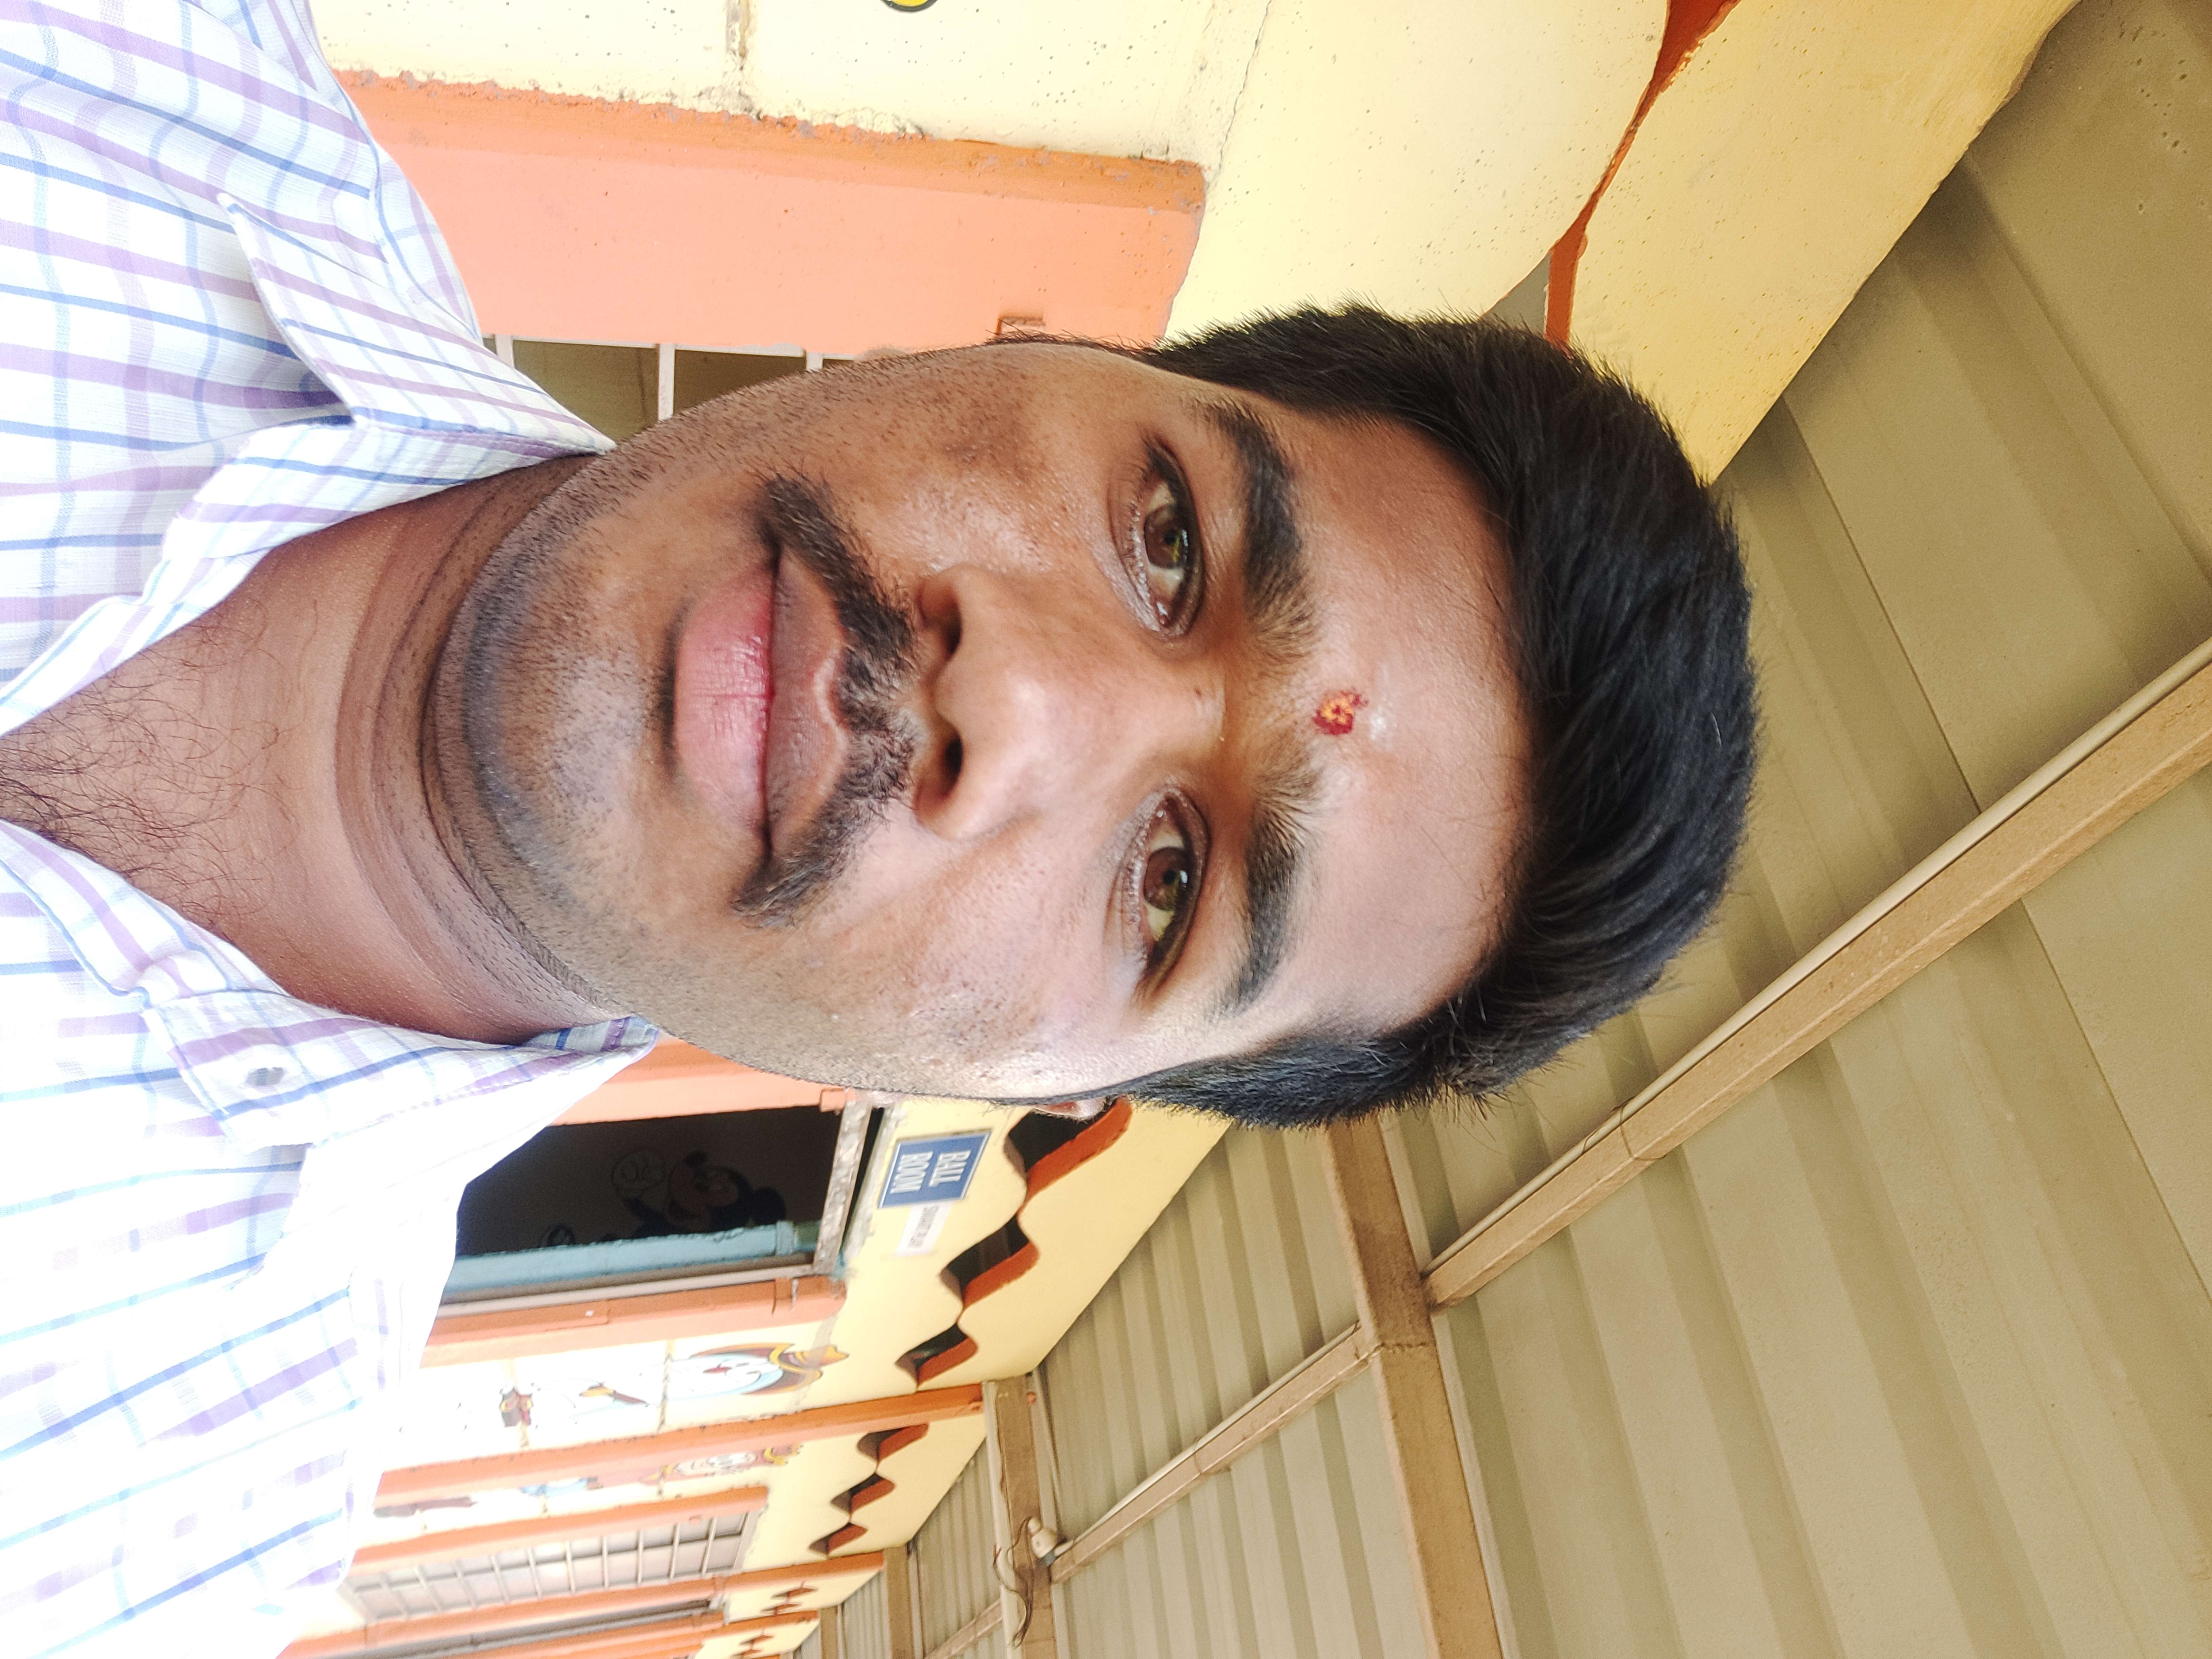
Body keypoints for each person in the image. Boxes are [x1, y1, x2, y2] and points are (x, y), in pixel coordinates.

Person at [0, 0, 1754, 1653]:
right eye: (1168, 542)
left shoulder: (153, 1536)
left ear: (1042, 1092)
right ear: (1056, 355)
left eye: (1171, 885)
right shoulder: (120, 71)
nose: (1024, 704)